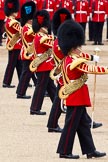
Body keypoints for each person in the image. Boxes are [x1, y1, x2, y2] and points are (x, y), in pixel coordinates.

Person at [56, 19, 107, 159]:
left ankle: (90, 150)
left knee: (84, 125)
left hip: (77, 96)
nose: (81, 49)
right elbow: (89, 68)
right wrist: (106, 69)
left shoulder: (69, 58)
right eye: (79, 47)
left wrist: (92, 57)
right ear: (74, 47)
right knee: (71, 125)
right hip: (76, 96)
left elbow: (83, 59)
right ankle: (64, 151)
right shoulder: (74, 61)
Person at [47, 7, 102, 133]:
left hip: (65, 73)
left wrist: (92, 57)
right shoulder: (59, 44)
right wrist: (92, 57)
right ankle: (52, 125)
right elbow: (76, 55)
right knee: (59, 100)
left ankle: (87, 122)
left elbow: (78, 54)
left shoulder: (60, 42)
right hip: (65, 75)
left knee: (72, 102)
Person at [29, 9, 56, 115]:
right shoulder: (41, 38)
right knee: (40, 89)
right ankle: (35, 108)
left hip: (46, 66)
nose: (47, 28)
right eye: (45, 27)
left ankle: (58, 107)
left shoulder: (41, 36)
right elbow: (54, 45)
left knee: (51, 88)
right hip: (43, 66)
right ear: (41, 27)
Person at [16, 1, 37, 99]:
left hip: (28, 53)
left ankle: (20, 92)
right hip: (28, 53)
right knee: (26, 74)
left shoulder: (26, 27)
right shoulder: (27, 28)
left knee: (28, 73)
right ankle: (20, 93)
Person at [2, 0, 22, 88]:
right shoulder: (13, 22)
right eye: (16, 11)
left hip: (13, 44)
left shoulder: (8, 21)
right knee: (12, 64)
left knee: (18, 64)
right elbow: (21, 32)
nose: (17, 13)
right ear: (13, 12)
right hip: (15, 45)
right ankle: (6, 82)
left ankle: (22, 82)